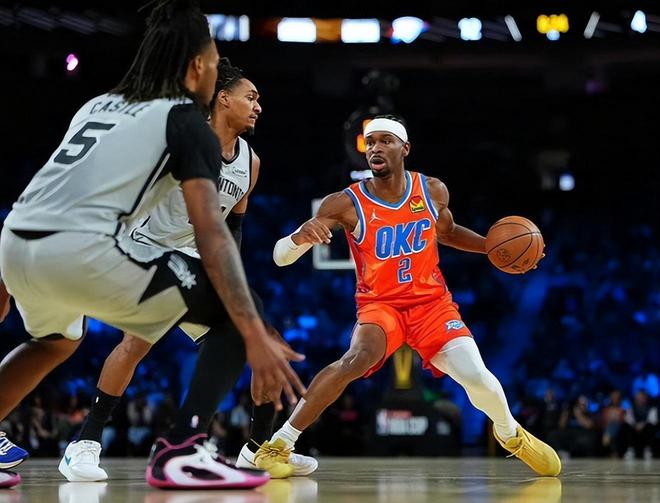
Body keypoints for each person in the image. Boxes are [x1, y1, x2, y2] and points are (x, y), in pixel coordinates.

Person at [0, 0, 305, 490]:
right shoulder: (185, 122)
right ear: (199, 68)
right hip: (101, 249)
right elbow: (211, 232)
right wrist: (250, 325)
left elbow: (50, 186)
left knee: (53, 342)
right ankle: (181, 449)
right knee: (239, 319)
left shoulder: (97, 105)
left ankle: (255, 444)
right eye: (214, 62)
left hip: (17, 239)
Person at [57, 58, 315, 482]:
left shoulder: (250, 162)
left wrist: (232, 283)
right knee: (137, 343)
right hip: (145, 250)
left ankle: (255, 448)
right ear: (222, 99)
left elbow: (234, 227)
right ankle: (85, 443)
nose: (258, 107)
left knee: (262, 337)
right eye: (250, 97)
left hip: (198, 261)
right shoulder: (179, 139)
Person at [259, 115, 561, 477]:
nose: (375, 148)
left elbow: (447, 232)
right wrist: (297, 239)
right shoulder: (345, 203)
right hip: (380, 305)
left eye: (385, 141)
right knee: (355, 359)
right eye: (371, 142)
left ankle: (510, 434)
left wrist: (494, 250)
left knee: (476, 376)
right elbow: (280, 257)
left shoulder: (432, 190)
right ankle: (279, 444)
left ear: (405, 149)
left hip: (431, 304)